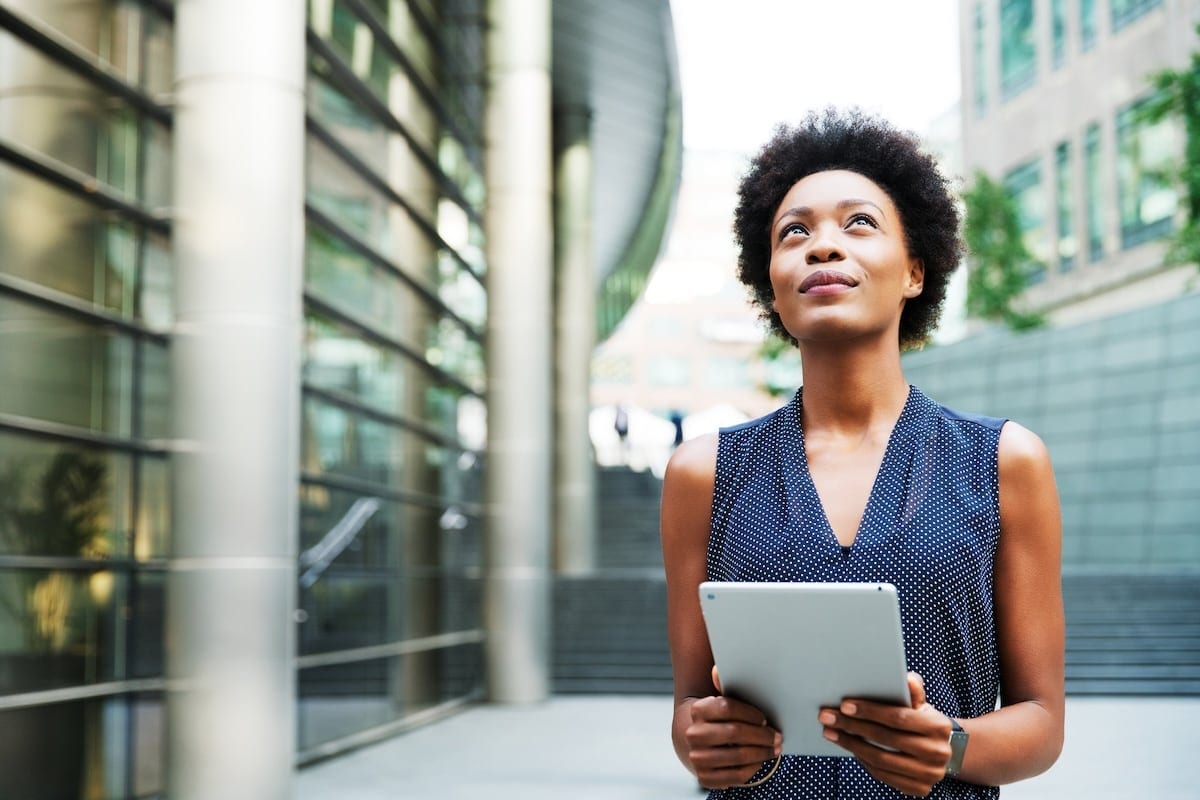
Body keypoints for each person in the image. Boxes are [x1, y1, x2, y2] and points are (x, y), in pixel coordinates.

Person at [660, 108, 1064, 799]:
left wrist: (949, 747)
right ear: (772, 290)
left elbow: (1042, 723)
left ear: (914, 270)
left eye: (858, 223)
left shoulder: (1005, 462)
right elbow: (690, 711)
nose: (823, 246)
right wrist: (710, 741)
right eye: (795, 232)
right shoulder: (703, 474)